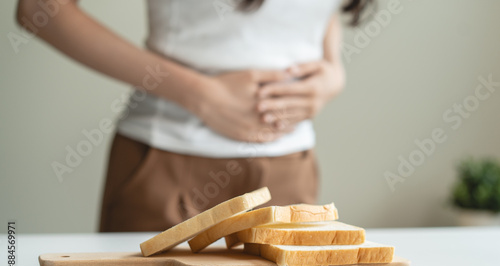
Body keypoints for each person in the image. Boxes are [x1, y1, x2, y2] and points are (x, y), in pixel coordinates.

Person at [16, 0, 373, 232]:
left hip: (291, 170)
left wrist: (333, 72)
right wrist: (201, 95)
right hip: (167, 163)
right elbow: (40, 8)